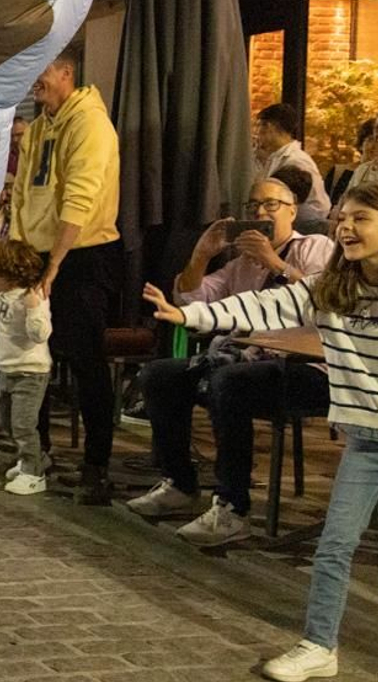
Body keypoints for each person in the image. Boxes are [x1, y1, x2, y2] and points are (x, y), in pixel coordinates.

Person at [142, 183, 378, 682]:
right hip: (368, 441)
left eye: (362, 219)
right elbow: (260, 307)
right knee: (334, 547)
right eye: (343, 218)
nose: (346, 227)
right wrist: (189, 315)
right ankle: (319, 645)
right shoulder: (330, 287)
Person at [125, 178, 336, 543]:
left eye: (270, 205)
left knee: (231, 383)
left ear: (292, 210)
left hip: (308, 368)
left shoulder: (314, 246)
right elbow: (193, 298)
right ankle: (179, 482)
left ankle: (231, 505)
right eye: (252, 206)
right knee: (160, 375)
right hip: (245, 362)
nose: (259, 213)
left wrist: (275, 262)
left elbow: (321, 301)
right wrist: (202, 254)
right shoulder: (241, 265)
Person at [9, 45, 123, 504]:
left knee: (86, 363)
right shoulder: (38, 128)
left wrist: (54, 264)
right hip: (34, 257)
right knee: (29, 360)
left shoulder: (90, 122)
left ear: (66, 71)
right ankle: (36, 454)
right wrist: (14, 259)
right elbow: (21, 194)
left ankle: (97, 465)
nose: (32, 79)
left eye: (40, 70)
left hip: (83, 257)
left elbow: (80, 196)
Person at [0, 239, 54, 496]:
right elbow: (2, 327)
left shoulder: (32, 297)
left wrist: (34, 310)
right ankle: (32, 458)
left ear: (6, 274)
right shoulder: (2, 297)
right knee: (6, 420)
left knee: (23, 424)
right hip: (7, 370)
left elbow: (40, 333)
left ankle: (34, 473)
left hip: (30, 373)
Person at [253, 103, 331, 221]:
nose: (257, 133)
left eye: (259, 126)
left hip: (302, 225)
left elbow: (317, 207)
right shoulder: (274, 157)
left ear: (269, 126)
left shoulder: (296, 160)